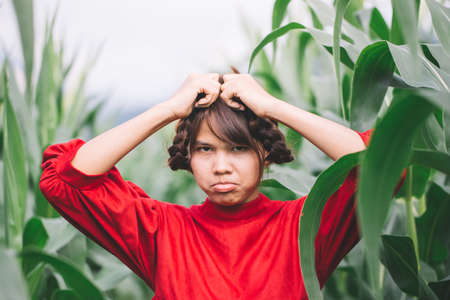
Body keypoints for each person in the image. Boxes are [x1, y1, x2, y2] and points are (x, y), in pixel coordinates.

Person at [39, 72, 404, 299]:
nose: (221, 166)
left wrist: (272, 106)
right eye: (205, 149)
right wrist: (169, 109)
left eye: (239, 148)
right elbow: (65, 179)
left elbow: (383, 165)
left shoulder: (304, 228)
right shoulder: (163, 232)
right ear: (189, 156)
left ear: (264, 151)